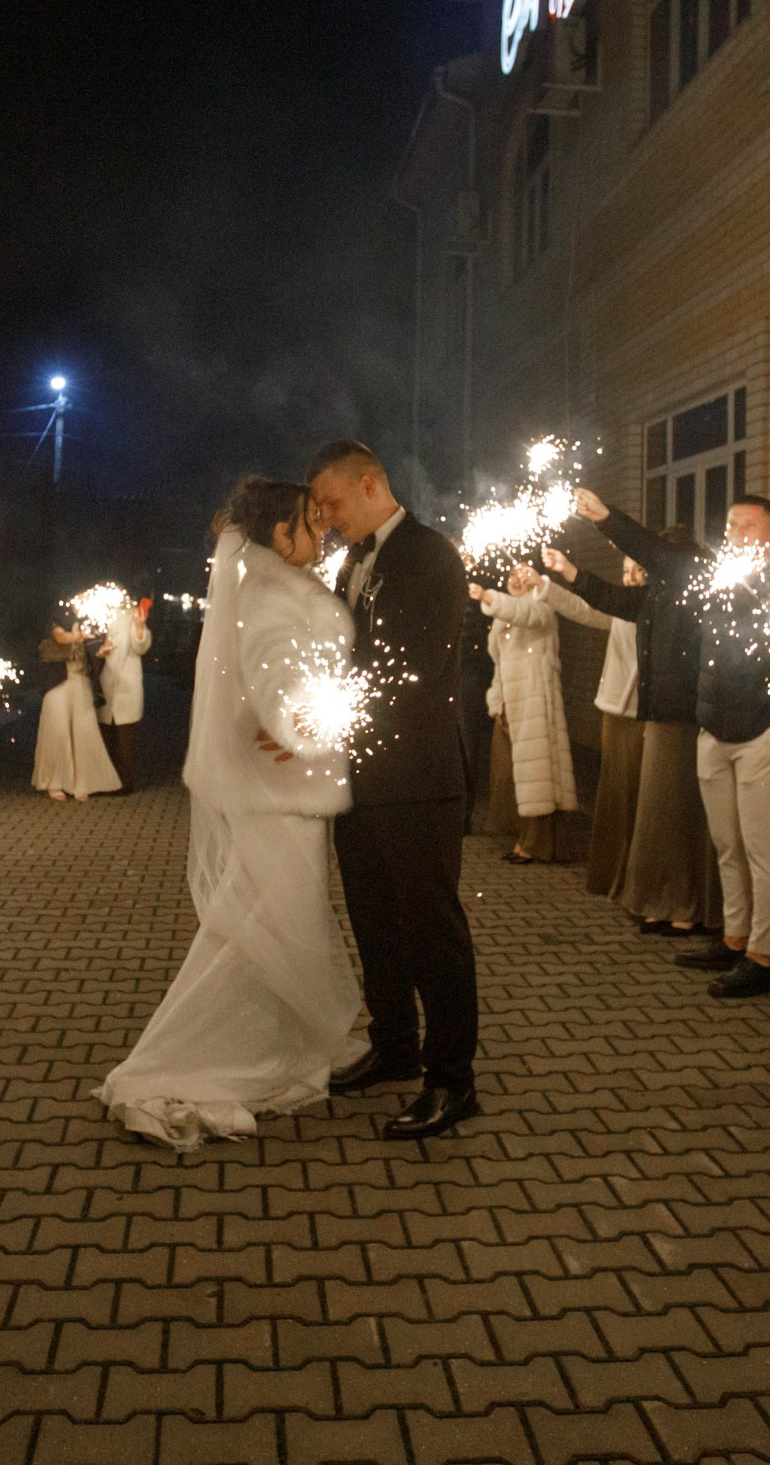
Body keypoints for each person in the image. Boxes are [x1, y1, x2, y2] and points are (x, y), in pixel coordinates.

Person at [97, 478, 366, 1146]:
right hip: (281, 796)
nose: (322, 530)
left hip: (283, 792)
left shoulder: (270, 586)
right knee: (261, 931)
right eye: (310, 520)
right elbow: (279, 683)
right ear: (281, 534)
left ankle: (271, 1046)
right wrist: (318, 724)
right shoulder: (274, 596)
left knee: (267, 925)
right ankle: (194, 1060)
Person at [581, 488, 770, 997]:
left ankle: (765, 957)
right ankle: (734, 938)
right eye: (732, 525)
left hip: (761, 734)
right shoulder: (717, 579)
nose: (738, 533)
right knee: (727, 845)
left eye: (750, 525)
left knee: (764, 851)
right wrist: (607, 518)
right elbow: (659, 556)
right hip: (713, 729)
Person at [308, 439, 481, 1140]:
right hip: (359, 776)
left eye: (333, 501)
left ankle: (452, 1078)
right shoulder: (350, 560)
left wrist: (331, 702)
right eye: (318, 507)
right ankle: (394, 1042)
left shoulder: (431, 555)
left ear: (371, 482)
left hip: (417, 777)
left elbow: (414, 665)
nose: (325, 516)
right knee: (374, 918)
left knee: (430, 928)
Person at [547, 520, 713, 938]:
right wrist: (568, 572)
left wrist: (606, 517)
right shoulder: (654, 599)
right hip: (656, 714)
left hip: (683, 717)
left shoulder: (696, 600)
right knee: (655, 813)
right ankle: (658, 899)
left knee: (676, 812)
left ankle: (685, 905)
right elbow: (604, 600)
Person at [539, 543, 645, 901]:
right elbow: (585, 610)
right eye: (625, 570)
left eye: (637, 572)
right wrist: (547, 586)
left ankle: (635, 879)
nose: (629, 578)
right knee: (615, 795)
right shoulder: (619, 608)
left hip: (641, 714)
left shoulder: (655, 608)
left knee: (637, 798)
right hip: (614, 709)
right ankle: (612, 876)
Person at [472, 563, 575, 863]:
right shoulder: (503, 618)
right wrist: (496, 703)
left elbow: (525, 614)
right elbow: (499, 665)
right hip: (509, 706)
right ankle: (522, 838)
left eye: (522, 577)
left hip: (534, 702)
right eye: (511, 576)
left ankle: (534, 845)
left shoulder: (542, 608)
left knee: (536, 779)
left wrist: (489, 598)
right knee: (509, 776)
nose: (515, 581)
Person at [34, 618, 121, 801]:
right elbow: (59, 637)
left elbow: (94, 652)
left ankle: (82, 783)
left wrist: (102, 652)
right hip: (57, 683)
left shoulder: (91, 619)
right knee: (58, 731)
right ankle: (54, 782)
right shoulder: (58, 613)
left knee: (83, 731)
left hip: (81, 681)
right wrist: (79, 636)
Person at [97, 597, 153, 793]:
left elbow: (141, 646)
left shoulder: (132, 618)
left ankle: (125, 783)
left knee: (125, 737)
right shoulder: (104, 619)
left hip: (126, 688)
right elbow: (97, 647)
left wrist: (139, 627)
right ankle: (109, 780)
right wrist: (101, 651)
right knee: (107, 735)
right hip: (106, 685)